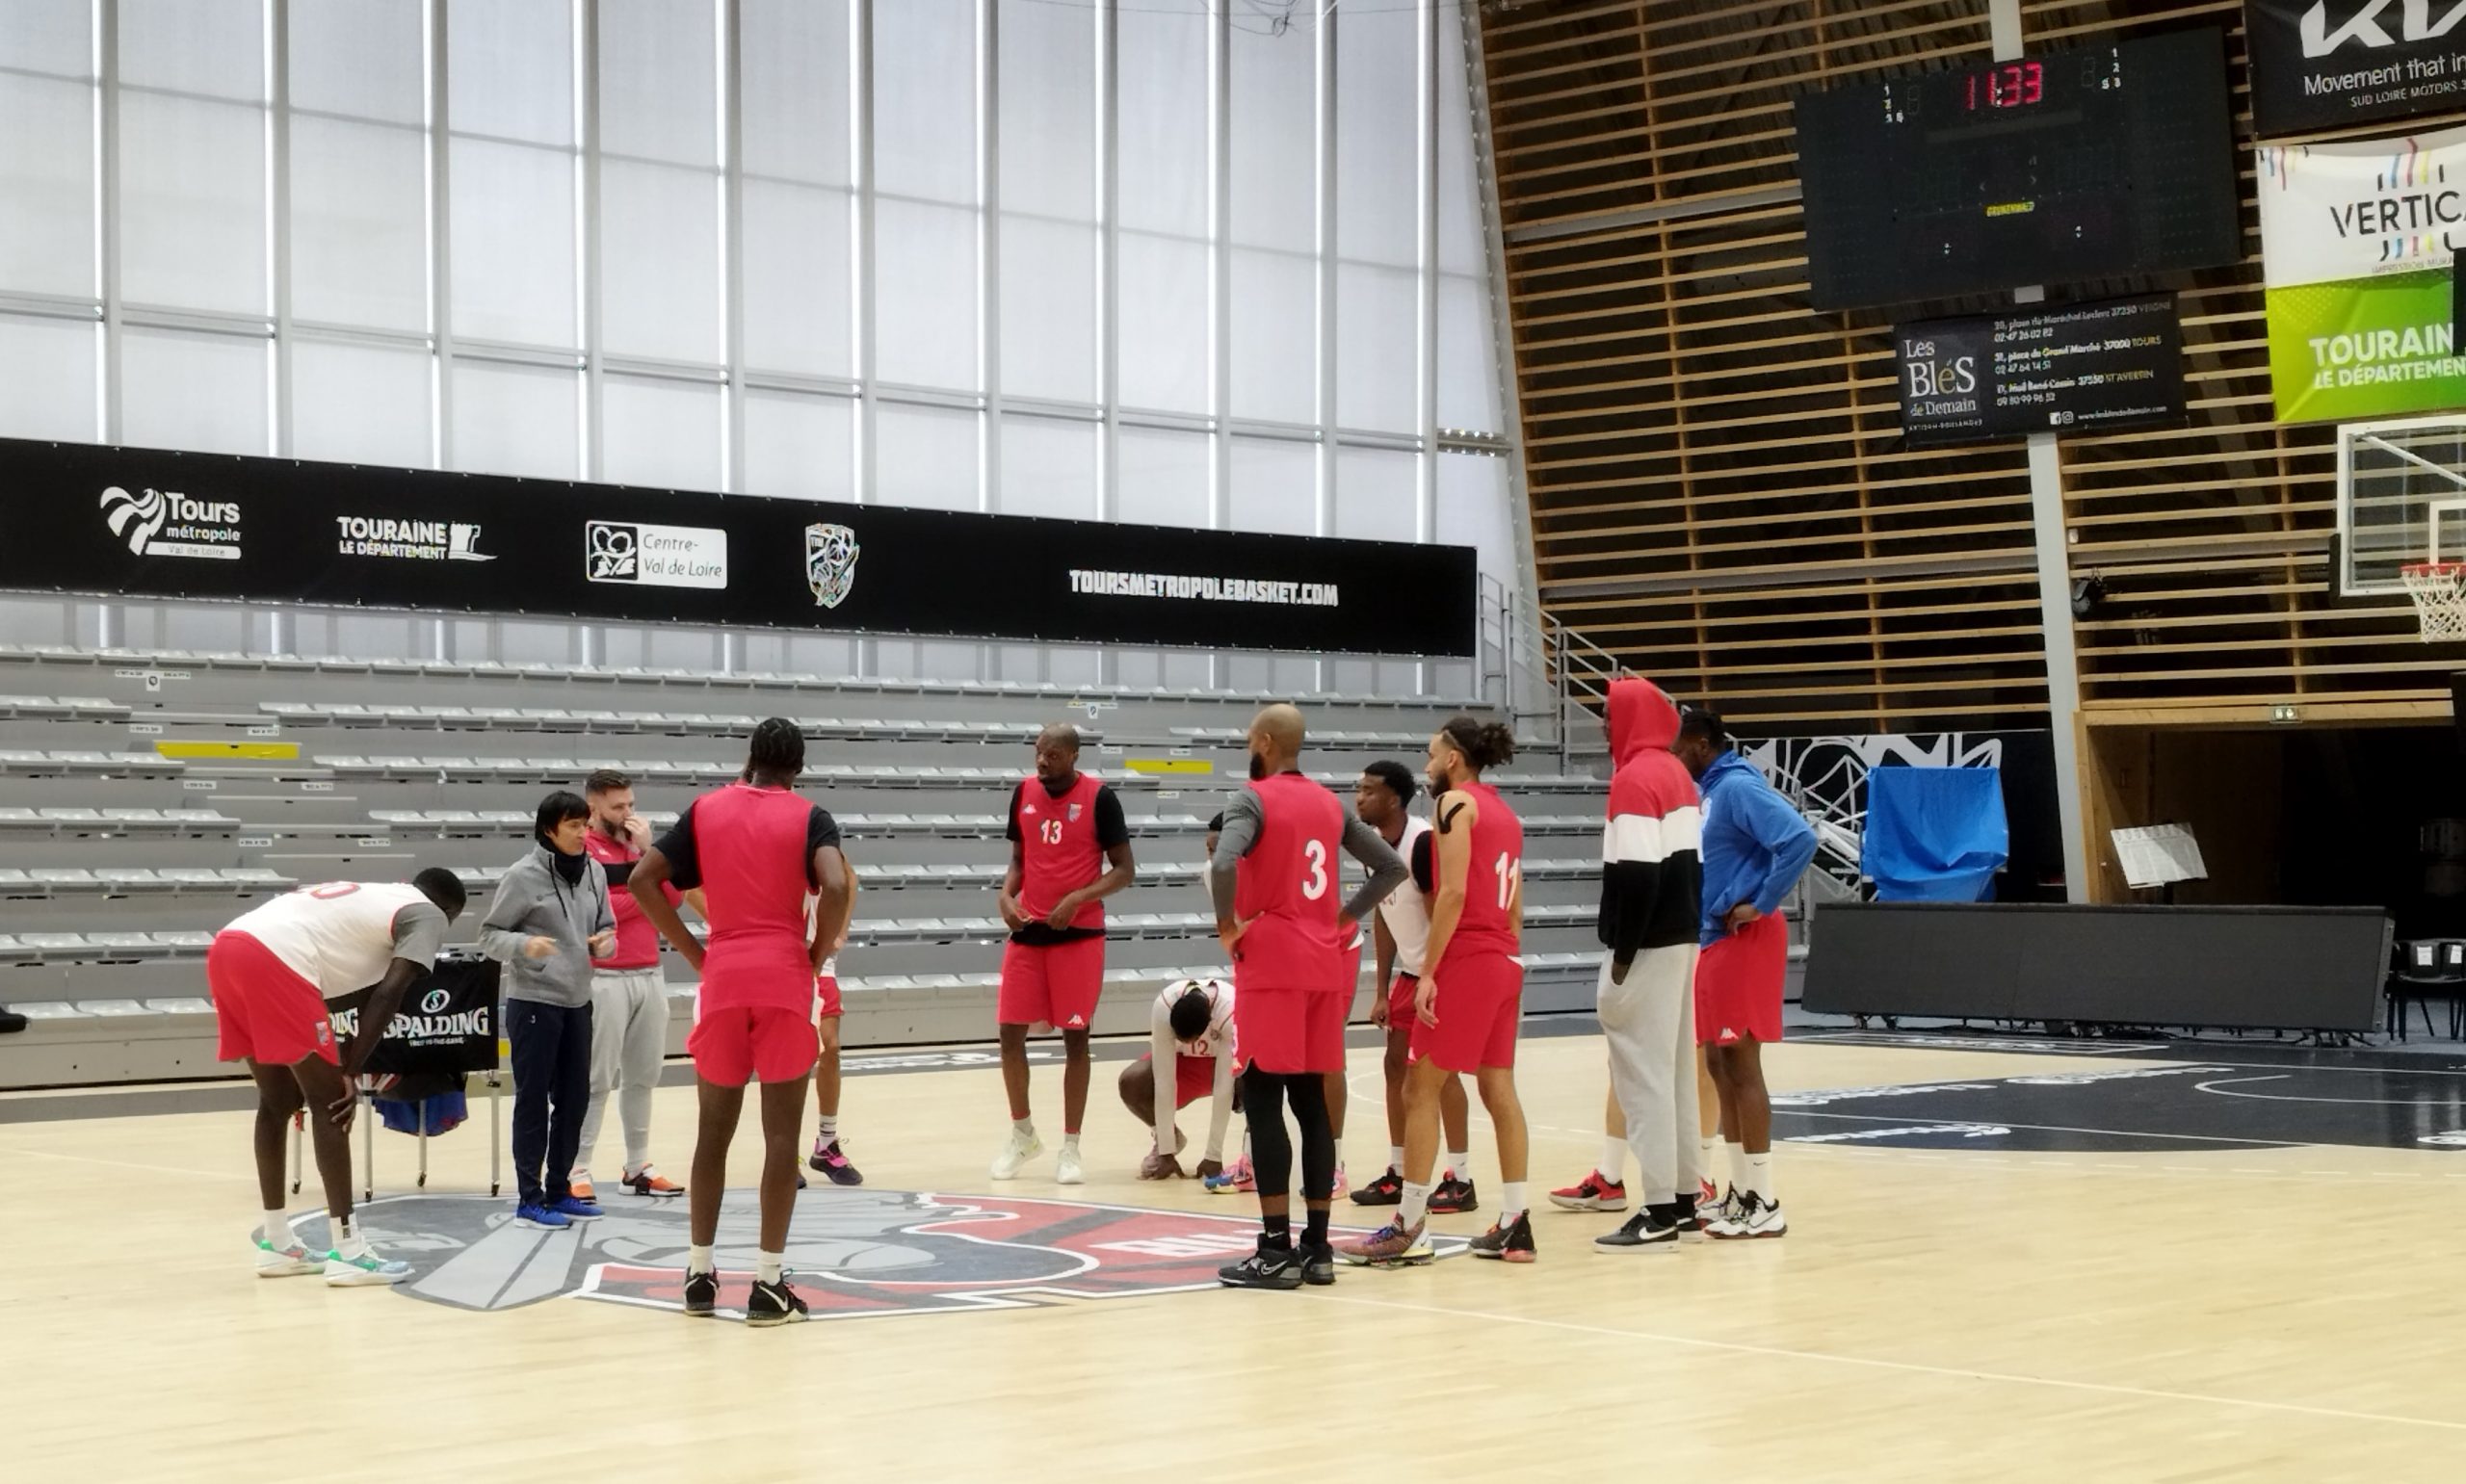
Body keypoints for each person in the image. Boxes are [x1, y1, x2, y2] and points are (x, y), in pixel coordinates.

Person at [630, 718, 852, 1327]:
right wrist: (815, 952)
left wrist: (696, 952)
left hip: (722, 976)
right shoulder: (811, 817)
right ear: (798, 768)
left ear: (748, 758)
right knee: (781, 1139)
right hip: (784, 977)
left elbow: (642, 878)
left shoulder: (705, 809)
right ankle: (769, 1284)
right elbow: (834, 883)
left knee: (712, 1135)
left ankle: (699, 1275)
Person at [1213, 704, 1406, 1290]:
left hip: (1272, 958)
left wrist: (1227, 925)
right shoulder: (1330, 803)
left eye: (1251, 737)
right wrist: (1343, 918)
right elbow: (1391, 867)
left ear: (1266, 743)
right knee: (1313, 1104)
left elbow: (1224, 859)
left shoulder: (1254, 797)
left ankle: (1274, 1249)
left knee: (1265, 1097)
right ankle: (1317, 1248)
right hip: (1325, 962)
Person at [1339, 717, 1533, 1268]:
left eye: (1431, 754)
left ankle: (1410, 1225)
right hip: (1505, 958)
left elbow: (1450, 894)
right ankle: (1515, 1223)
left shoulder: (1452, 806)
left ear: (1453, 758)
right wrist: (1498, 948)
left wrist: (1431, 971)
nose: (1427, 763)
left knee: (1419, 1091)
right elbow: (1516, 903)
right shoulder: (1507, 814)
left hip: (1467, 959)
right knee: (1499, 1089)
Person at [211, 869, 465, 1285]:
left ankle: (277, 1244)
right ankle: (350, 1252)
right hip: (276, 956)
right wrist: (350, 1069)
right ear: (449, 911)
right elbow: (390, 993)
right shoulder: (430, 915)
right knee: (333, 1104)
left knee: (277, 1102)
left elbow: (355, 989)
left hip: (229, 946)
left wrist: (343, 1056)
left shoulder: (380, 895)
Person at [1675, 707, 1816, 1240]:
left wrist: (1761, 901)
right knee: (1717, 1060)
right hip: (1716, 938)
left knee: (1741, 1060)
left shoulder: (1735, 787)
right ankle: (1739, 1192)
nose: (1672, 755)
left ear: (1701, 743)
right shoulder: (1711, 792)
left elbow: (1799, 838)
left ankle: (1764, 1200)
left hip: (1745, 936)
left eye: (1678, 745)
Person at [1588, 676, 1708, 1254]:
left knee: (1643, 1078)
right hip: (1684, 937)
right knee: (1677, 1072)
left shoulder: (1635, 778)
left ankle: (1657, 1209)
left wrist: (1623, 955)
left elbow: (1638, 878)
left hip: (1648, 945)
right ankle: (1684, 1201)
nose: (1605, 725)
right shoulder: (1678, 774)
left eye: (1610, 715)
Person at [991, 723, 1137, 1185]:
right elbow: (1019, 861)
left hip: (1079, 936)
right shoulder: (1024, 793)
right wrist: (1005, 896)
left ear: (1073, 755)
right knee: (1009, 1035)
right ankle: (1022, 1135)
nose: (1042, 761)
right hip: (1029, 931)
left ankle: (1071, 1147)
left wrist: (1077, 899)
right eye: (1038, 752)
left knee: (1076, 1041)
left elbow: (1125, 870)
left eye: (1052, 754)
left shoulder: (1101, 798)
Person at [481, 791, 619, 1231]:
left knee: (575, 1098)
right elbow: (489, 935)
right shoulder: (522, 877)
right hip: (534, 1001)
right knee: (533, 1100)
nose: (583, 833)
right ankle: (529, 1198)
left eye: (585, 824)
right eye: (573, 826)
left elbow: (607, 925)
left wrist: (607, 941)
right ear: (549, 830)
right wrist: (525, 945)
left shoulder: (595, 871)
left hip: (579, 1000)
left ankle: (560, 1190)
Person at [1350, 760, 1476, 1213]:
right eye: (1357, 789)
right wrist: (1381, 989)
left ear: (1394, 800)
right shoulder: (1373, 848)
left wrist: (1436, 975)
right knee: (1394, 1067)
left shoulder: (1422, 842)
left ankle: (1460, 1178)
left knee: (1439, 1076)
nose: (1359, 797)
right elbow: (1384, 916)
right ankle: (1399, 1171)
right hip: (1410, 972)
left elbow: (1441, 908)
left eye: (1368, 790)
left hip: (1438, 972)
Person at [577, 769, 692, 1200]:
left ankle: (637, 1164)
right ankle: (577, 1166)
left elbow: (675, 899)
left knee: (644, 1075)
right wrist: (646, 894)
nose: (628, 814)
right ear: (594, 808)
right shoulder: (583, 848)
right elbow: (595, 910)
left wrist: (647, 855)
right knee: (596, 1077)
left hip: (648, 971)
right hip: (603, 976)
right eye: (617, 807)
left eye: (631, 805)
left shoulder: (639, 848)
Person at [1124, 976, 1238, 1181]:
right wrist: (1166, 1152)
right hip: (1184, 1066)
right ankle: (1168, 1138)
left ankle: (1252, 1155)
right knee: (1132, 1082)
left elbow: (1224, 1086)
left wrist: (1214, 1155)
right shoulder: (1164, 1005)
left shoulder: (1230, 1010)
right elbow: (1164, 1079)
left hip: (1218, 1066)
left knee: (1255, 1080)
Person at [807, 867, 863, 1185]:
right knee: (789, 1060)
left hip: (820, 961)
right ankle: (783, 1152)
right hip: (783, 957)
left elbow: (849, 877)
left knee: (830, 1047)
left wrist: (841, 929)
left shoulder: (817, 835)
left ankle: (826, 1143)